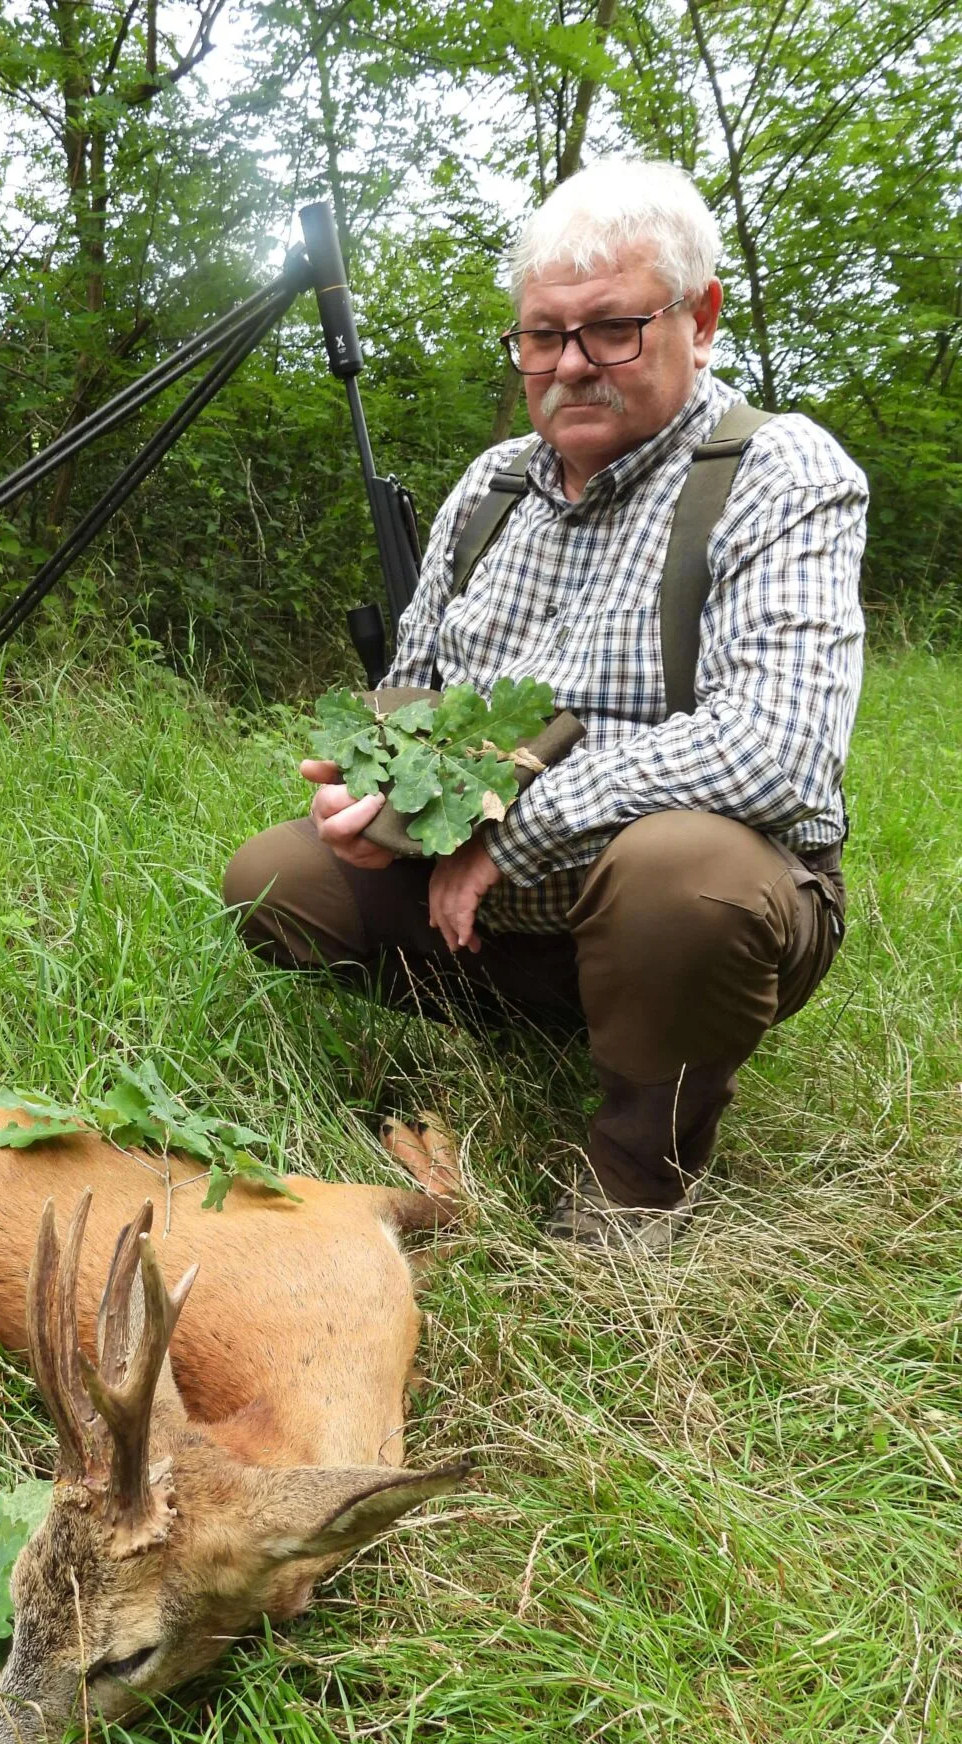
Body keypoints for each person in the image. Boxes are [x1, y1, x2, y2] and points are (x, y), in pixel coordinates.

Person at [223, 157, 866, 1251]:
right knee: (274, 880)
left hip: (690, 900)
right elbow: (417, 692)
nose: (571, 365)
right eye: (541, 336)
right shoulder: (491, 486)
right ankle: (557, 1024)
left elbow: (778, 750)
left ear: (699, 319)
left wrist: (515, 834)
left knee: (685, 880)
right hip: (497, 908)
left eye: (612, 329)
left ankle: (636, 1171)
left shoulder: (778, 472)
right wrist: (379, 808)